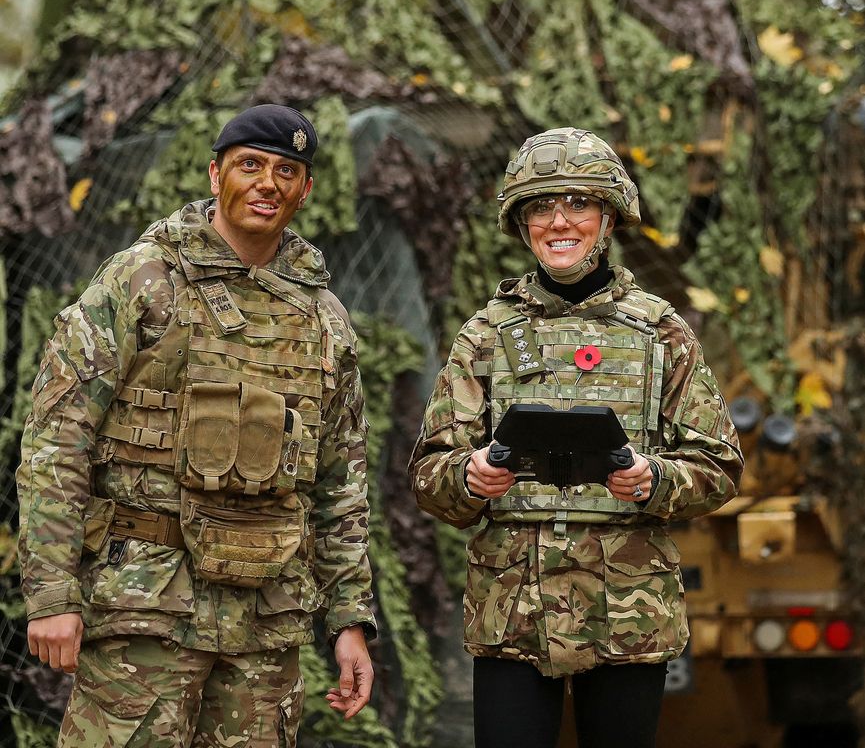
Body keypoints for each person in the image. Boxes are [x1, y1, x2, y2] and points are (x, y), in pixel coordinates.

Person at [17, 103, 376, 748]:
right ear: (215, 175)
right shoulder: (140, 282)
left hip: (266, 620)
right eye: (250, 166)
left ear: (306, 189)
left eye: (286, 171)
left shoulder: (323, 317)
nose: (267, 183)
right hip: (144, 604)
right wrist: (52, 594)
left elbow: (339, 480)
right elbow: (57, 439)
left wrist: (348, 621)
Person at [409, 127, 743, 748]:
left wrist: (655, 478)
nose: (558, 222)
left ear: (608, 218)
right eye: (541, 206)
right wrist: (469, 476)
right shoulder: (485, 335)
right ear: (522, 222)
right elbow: (430, 476)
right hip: (513, 611)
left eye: (578, 204)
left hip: (628, 612)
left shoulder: (660, 334)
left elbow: (719, 466)